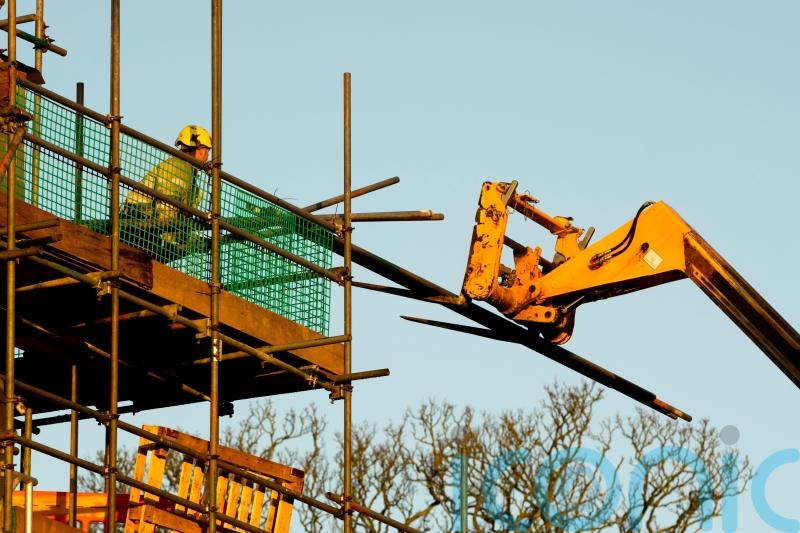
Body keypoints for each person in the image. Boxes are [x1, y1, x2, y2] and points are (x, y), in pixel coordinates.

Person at [123, 125, 211, 257]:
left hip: (146, 224)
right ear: (199, 150)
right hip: (138, 222)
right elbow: (166, 209)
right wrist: (176, 241)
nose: (207, 157)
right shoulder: (179, 168)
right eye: (207, 151)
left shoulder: (187, 174)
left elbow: (177, 215)